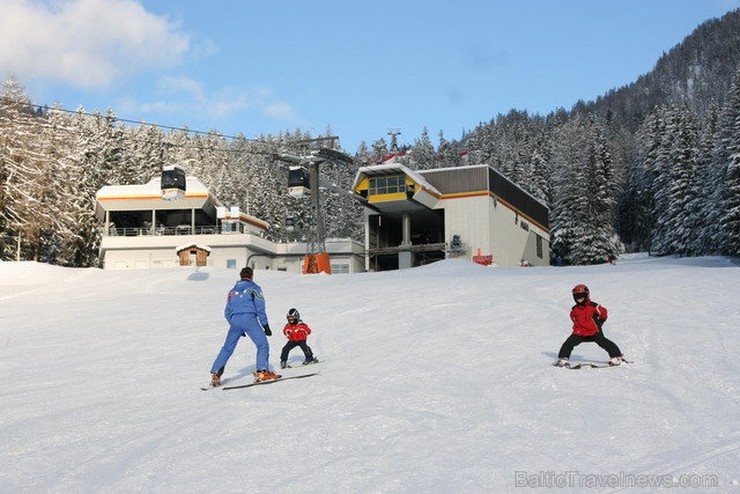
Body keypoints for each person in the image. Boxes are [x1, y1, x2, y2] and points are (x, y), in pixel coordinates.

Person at [209, 266, 277, 386]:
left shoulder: (232, 292)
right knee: (262, 345)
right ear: (251, 276)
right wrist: (265, 325)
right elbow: (260, 308)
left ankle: (216, 374)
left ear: (241, 276)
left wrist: (235, 324)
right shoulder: (254, 288)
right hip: (249, 319)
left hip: (235, 321)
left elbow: (227, 312)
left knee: (227, 348)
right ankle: (262, 372)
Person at [555, 284, 625, 367]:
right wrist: (578, 326)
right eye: (577, 297)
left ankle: (616, 357)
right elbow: (573, 317)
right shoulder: (574, 309)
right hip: (580, 332)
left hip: (594, 331)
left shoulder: (594, 306)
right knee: (568, 344)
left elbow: (603, 312)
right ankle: (563, 359)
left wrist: (601, 321)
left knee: (604, 342)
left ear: (587, 295)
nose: (579, 298)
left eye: (581, 296)